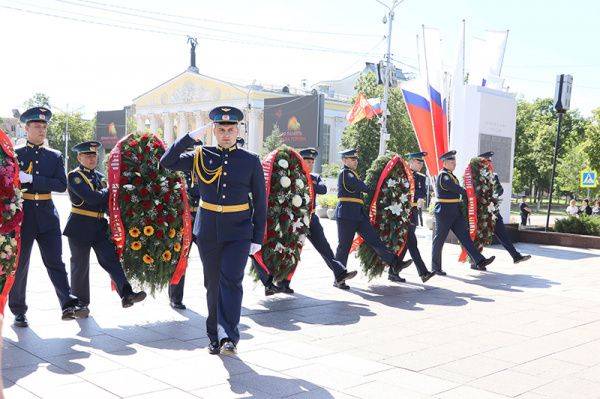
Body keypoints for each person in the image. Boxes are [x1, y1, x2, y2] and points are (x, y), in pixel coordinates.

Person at [160, 106, 266, 355]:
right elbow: (167, 162)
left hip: (239, 231)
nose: (226, 134)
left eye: (230, 129)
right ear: (214, 131)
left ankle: (228, 336)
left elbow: (261, 202)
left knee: (232, 281)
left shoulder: (250, 161)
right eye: (221, 129)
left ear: (237, 130)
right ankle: (214, 335)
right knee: (213, 284)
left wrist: (257, 237)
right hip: (208, 230)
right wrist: (190, 137)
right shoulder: (200, 155)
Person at [9, 107, 87, 327]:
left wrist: (31, 178)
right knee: (20, 264)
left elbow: (61, 184)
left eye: (44, 126)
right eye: (37, 126)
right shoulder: (15, 155)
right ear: (26, 128)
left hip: (47, 213)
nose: (42, 130)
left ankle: (67, 303)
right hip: (23, 214)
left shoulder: (54, 156)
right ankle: (18, 310)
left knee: (55, 261)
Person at [251, 148, 358, 294]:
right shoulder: (292, 176)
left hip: (311, 218)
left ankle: (339, 273)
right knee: (289, 249)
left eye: (312, 162)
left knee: (324, 247)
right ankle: (284, 282)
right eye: (307, 161)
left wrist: (308, 181)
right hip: (294, 218)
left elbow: (323, 189)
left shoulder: (314, 176)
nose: (310, 164)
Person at [64, 141, 146, 314]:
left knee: (111, 260)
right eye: (87, 155)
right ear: (79, 157)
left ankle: (126, 294)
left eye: (94, 155)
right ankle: (80, 303)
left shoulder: (100, 176)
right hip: (80, 226)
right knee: (80, 266)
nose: (92, 158)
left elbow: (107, 202)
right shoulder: (75, 176)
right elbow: (92, 198)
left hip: (100, 226)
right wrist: (110, 188)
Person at [334, 149, 412, 277]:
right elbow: (364, 188)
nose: (356, 162)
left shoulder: (353, 174)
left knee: (375, 240)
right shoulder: (345, 174)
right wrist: (378, 185)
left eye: (356, 159)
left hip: (358, 214)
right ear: (344, 160)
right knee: (344, 246)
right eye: (352, 159)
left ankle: (395, 263)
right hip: (347, 214)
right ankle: (339, 276)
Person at [431, 150, 495, 275]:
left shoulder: (451, 175)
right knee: (439, 240)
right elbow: (457, 189)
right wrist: (470, 192)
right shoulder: (443, 176)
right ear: (444, 163)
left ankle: (479, 260)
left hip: (455, 211)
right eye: (451, 161)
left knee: (465, 237)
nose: (454, 163)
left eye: (454, 160)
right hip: (444, 211)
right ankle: (435, 267)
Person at [388, 152, 435, 284]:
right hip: (403, 212)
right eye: (418, 162)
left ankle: (394, 270)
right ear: (411, 162)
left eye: (422, 163)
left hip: (413, 212)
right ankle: (423, 272)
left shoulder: (420, 177)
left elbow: (421, 194)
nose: (421, 165)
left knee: (408, 243)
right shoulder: (403, 174)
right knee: (411, 243)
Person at [477, 152, 531, 264]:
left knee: (503, 235)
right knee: (479, 236)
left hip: (493, 211)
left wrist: (493, 192)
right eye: (487, 161)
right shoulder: (477, 176)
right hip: (481, 212)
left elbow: (500, 190)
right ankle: (476, 261)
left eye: (490, 161)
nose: (489, 163)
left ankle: (516, 256)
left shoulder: (493, 175)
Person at [168, 140, 202, 310]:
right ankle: (175, 298)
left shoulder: (203, 170)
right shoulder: (174, 173)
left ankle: (216, 294)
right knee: (180, 259)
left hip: (201, 218)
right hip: (183, 220)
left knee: (211, 259)